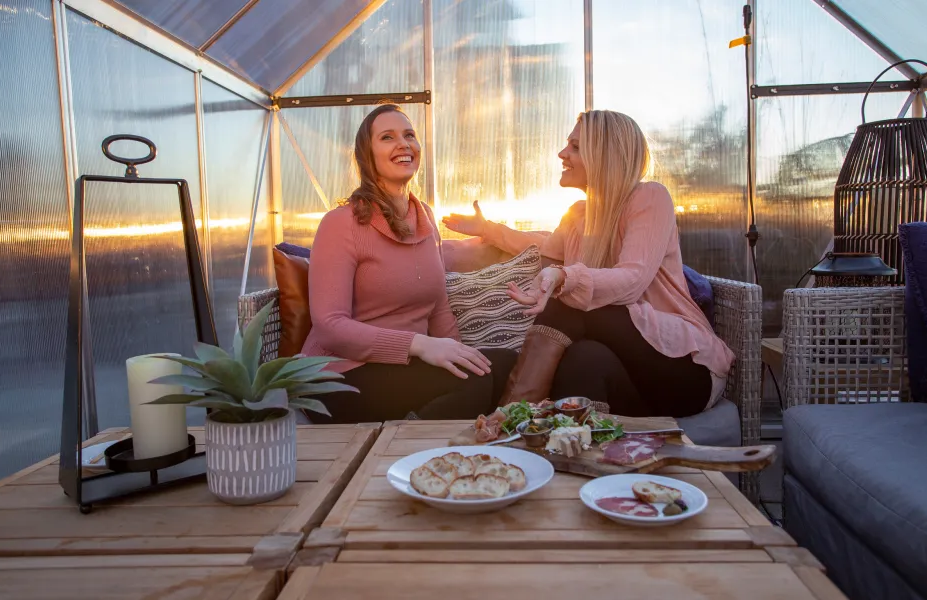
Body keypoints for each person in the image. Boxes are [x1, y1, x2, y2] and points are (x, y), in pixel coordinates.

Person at [442, 110, 734, 418]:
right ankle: (573, 445)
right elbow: (545, 246)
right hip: (632, 384)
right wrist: (489, 230)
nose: (561, 153)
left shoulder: (649, 198)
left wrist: (563, 277)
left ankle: (510, 417)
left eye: (575, 146)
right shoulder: (579, 214)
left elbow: (632, 279)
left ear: (605, 155)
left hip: (682, 372)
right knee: (583, 357)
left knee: (570, 302)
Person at [302, 104, 517, 423]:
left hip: (403, 368)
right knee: (475, 380)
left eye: (409, 135)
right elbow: (330, 326)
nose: (403, 144)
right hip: (339, 376)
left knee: (507, 364)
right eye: (387, 137)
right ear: (367, 155)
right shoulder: (340, 224)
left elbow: (439, 305)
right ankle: (411, 460)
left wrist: (455, 353)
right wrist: (420, 345)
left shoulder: (425, 217)